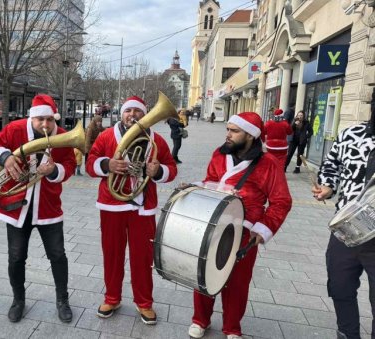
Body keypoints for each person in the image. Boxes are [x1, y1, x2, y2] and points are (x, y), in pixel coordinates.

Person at [188, 112, 292, 339]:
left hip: (245, 231)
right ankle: (200, 319)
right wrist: (196, 187)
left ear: (250, 135)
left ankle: (232, 327)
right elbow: (210, 181)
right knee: (204, 272)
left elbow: (281, 201)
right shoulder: (218, 154)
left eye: (234, 131)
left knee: (237, 282)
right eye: (228, 129)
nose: (228, 134)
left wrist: (262, 230)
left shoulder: (269, 164)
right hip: (213, 225)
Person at [86, 95, 177, 325]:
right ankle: (112, 297)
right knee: (112, 254)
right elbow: (90, 164)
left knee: (142, 257)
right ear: (121, 113)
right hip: (111, 204)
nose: (133, 115)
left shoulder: (157, 140)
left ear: (145, 115)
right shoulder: (107, 136)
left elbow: (171, 169)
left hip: (143, 207)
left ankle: (144, 302)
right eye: (128, 111)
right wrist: (107, 165)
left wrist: (157, 172)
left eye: (138, 111)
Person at [0, 94, 76, 323]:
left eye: (49, 120)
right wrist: (5, 157)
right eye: (39, 120)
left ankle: (62, 300)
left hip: (48, 207)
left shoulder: (63, 137)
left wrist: (55, 171)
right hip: (16, 206)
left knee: (58, 255)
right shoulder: (15, 129)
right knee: (16, 257)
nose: (45, 125)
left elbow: (70, 165)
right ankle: (18, 300)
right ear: (32, 118)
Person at [312, 90, 375, 339]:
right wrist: (327, 185)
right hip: (346, 229)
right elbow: (331, 165)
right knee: (339, 286)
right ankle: (347, 334)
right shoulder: (352, 134)